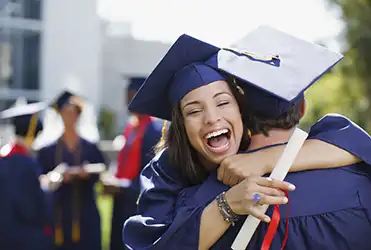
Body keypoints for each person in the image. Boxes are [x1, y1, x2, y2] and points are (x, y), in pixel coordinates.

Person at [122, 28, 367, 249]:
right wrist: (227, 205)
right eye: (194, 111)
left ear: (242, 113)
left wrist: (263, 159)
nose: (211, 118)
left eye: (223, 102)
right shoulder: (358, 179)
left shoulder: (196, 205)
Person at [36, 90, 106, 250]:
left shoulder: (89, 147)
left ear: (78, 115)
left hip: (85, 209)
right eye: (65, 113)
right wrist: (56, 177)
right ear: (60, 115)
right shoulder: (48, 150)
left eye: (73, 113)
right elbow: (41, 178)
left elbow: (101, 170)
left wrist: (87, 174)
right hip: (60, 211)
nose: (69, 117)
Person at [107, 78, 162, 250]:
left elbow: (150, 174)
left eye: (132, 96)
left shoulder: (153, 131)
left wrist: (123, 186)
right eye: (127, 97)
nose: (128, 102)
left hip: (136, 200)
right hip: (122, 198)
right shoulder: (131, 128)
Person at [0, 99, 53, 250]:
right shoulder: (27, 164)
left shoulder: (3, 158)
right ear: (31, 134)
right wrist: (46, 188)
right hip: (25, 237)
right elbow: (31, 207)